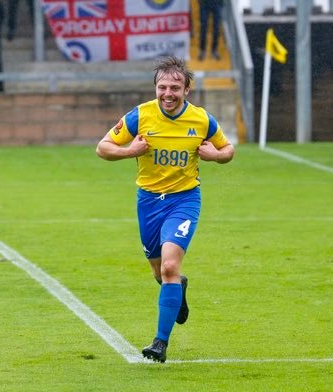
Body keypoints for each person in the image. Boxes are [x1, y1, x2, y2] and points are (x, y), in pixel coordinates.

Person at [96, 56, 234, 363]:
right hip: (148, 202)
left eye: (175, 87)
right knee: (160, 272)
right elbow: (103, 147)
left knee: (171, 266)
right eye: (162, 87)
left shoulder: (201, 120)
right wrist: (129, 150)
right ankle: (177, 288)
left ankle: (160, 342)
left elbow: (228, 149)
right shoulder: (140, 115)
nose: (167, 93)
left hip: (183, 201)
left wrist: (215, 156)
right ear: (155, 88)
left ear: (187, 89)